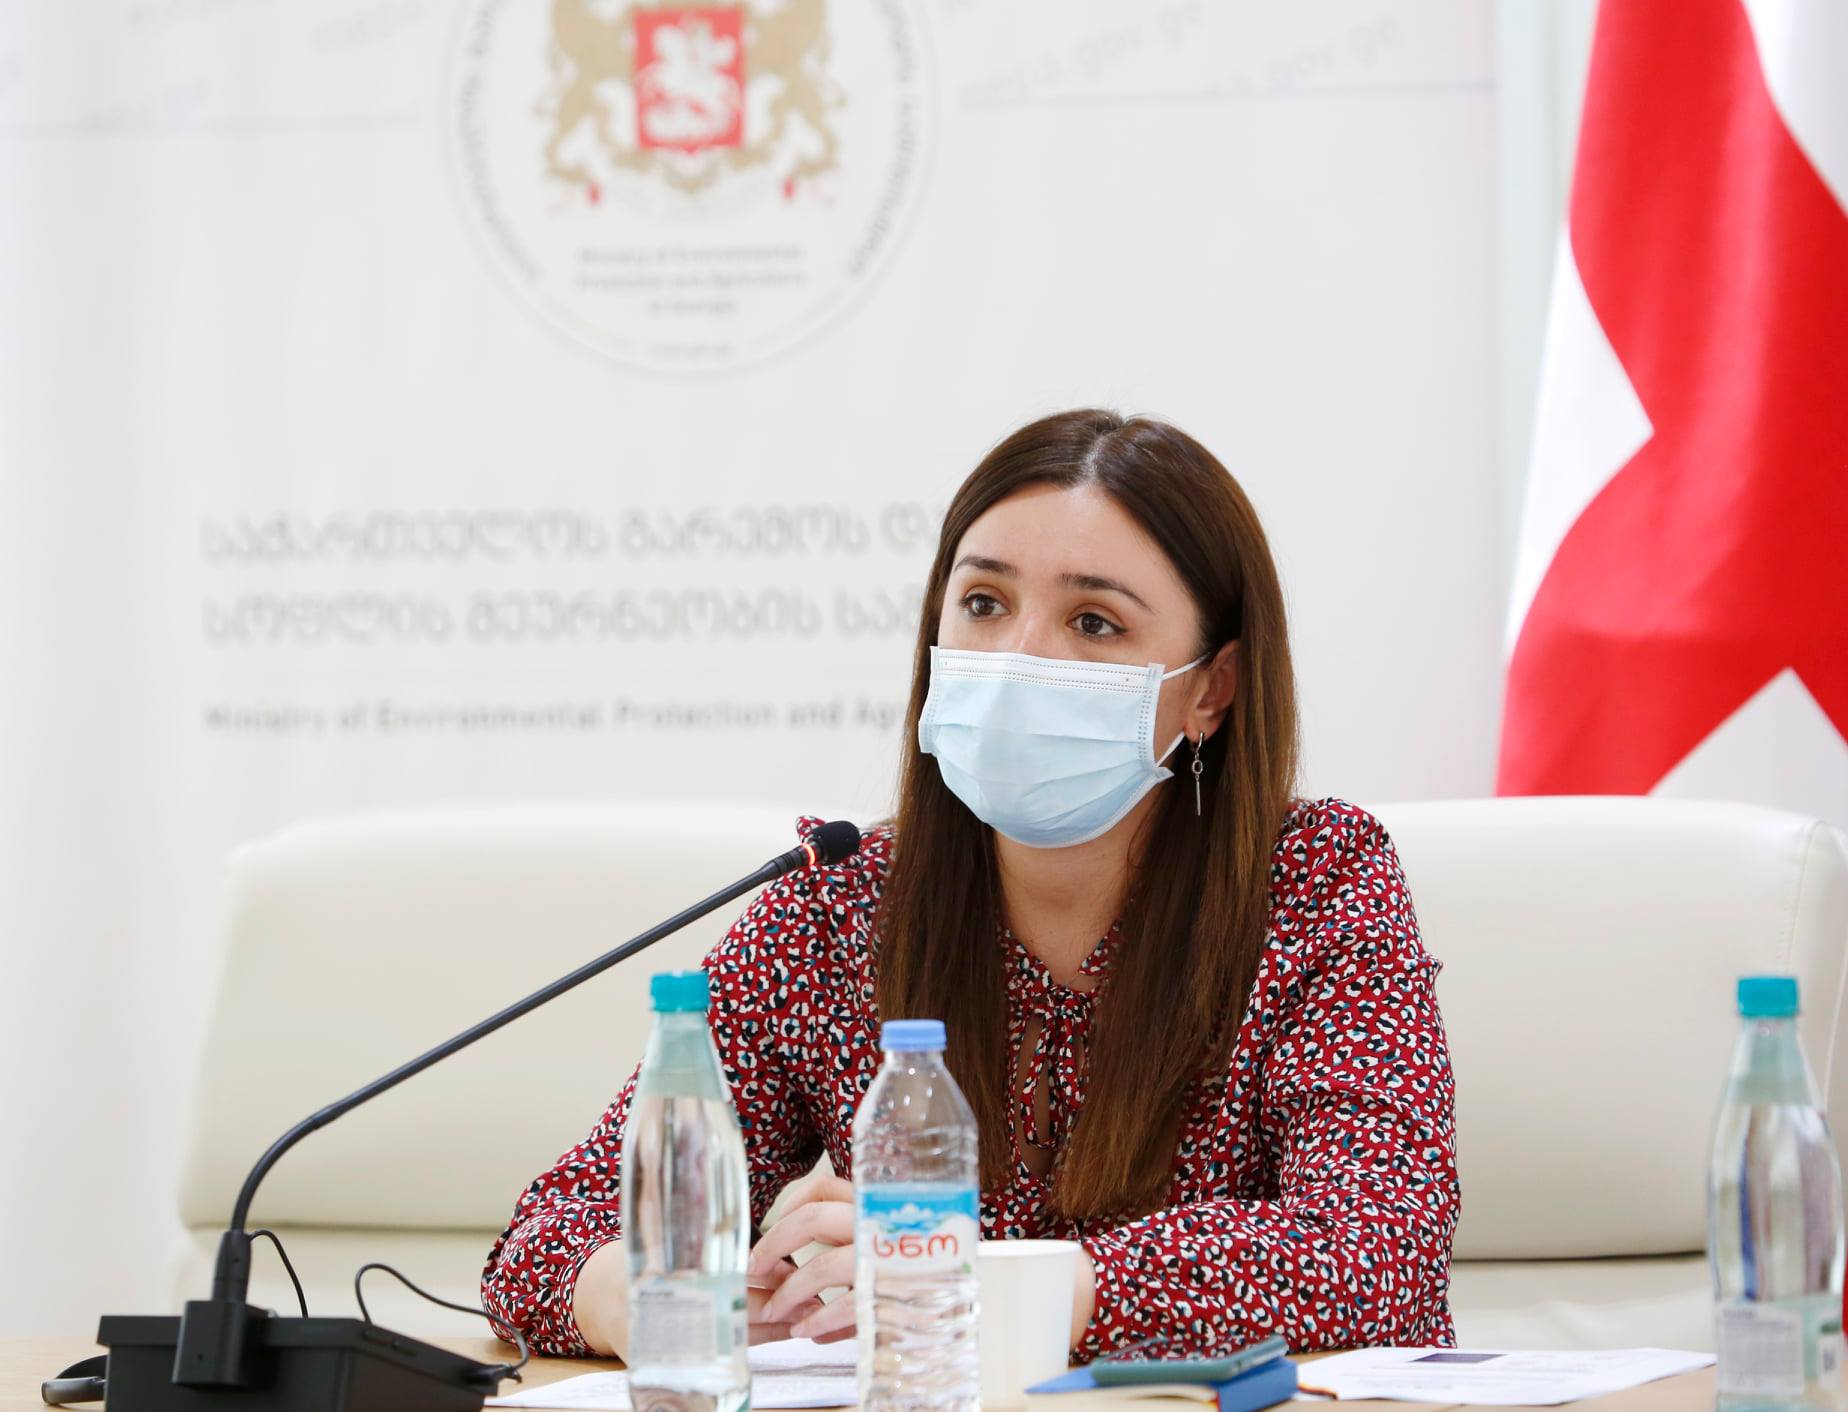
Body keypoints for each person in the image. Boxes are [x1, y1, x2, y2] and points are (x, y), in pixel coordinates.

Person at [481, 409, 1460, 1360]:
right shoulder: (840, 908)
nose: (1017, 656)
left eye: (1094, 621)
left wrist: (988, 1283)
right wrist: (643, 1298)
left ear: (1213, 688)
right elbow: (554, 1227)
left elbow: (1381, 1244)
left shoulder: (1320, 884)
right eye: (984, 604)